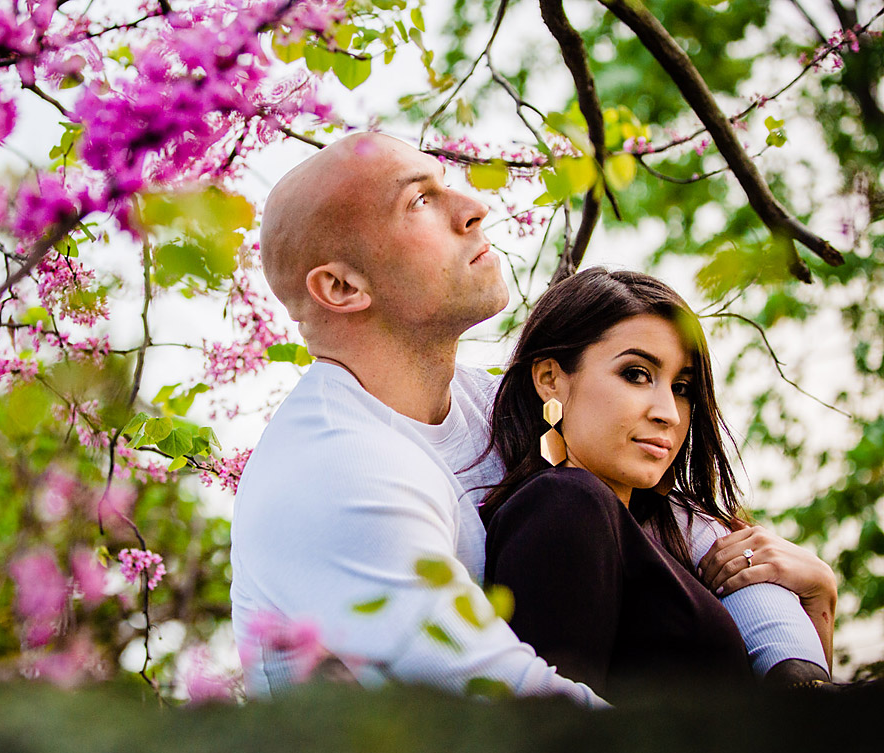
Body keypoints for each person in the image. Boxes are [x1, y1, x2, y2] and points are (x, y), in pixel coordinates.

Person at [230, 132, 829, 702]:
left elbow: (706, 543)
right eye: (420, 200)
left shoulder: (487, 406)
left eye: (449, 184)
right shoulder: (334, 471)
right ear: (341, 286)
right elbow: (503, 706)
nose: (475, 207)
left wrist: (793, 668)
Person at [478, 269, 835, 695]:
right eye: (636, 373)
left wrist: (818, 599)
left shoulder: (682, 538)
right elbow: (549, 736)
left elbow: (800, 730)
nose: (668, 411)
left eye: (682, 387)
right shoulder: (562, 503)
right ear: (550, 378)